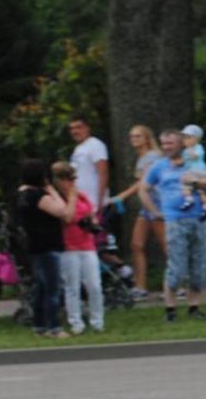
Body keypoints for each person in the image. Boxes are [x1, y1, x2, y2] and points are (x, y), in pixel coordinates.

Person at [145, 128, 206, 321]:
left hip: (199, 219)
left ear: (181, 143)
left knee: (198, 264)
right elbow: (144, 189)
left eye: (171, 143)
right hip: (174, 220)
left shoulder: (194, 162)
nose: (167, 147)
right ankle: (170, 310)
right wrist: (155, 211)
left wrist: (196, 182)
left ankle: (194, 308)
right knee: (177, 267)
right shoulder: (159, 166)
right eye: (164, 143)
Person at [45, 161, 105, 335]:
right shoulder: (57, 199)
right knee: (72, 287)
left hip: (87, 245)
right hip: (68, 247)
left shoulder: (82, 196)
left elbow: (92, 213)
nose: (71, 183)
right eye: (67, 179)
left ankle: (97, 321)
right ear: (58, 180)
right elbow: (68, 217)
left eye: (73, 178)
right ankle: (76, 322)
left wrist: (91, 221)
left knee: (94, 285)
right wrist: (71, 198)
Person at [107, 123, 164, 300]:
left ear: (147, 139)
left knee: (166, 246)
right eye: (132, 136)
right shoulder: (142, 158)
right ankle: (140, 287)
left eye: (138, 136)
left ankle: (178, 285)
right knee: (136, 245)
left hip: (157, 205)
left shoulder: (152, 157)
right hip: (146, 207)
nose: (134, 139)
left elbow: (144, 182)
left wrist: (121, 196)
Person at [13, 159, 66, 338]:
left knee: (41, 287)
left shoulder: (21, 195)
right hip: (48, 244)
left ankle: (39, 324)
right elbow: (62, 210)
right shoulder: (36, 195)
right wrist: (52, 190)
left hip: (34, 245)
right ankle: (54, 327)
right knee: (52, 288)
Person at [67, 115, 109, 211]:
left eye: (79, 127)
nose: (75, 131)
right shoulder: (77, 149)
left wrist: (100, 203)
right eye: (72, 128)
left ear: (87, 128)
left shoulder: (95, 145)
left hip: (95, 204)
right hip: (83, 205)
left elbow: (103, 173)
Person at [177, 122, 206, 217]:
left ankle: (189, 200)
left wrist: (190, 150)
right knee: (201, 191)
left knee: (185, 184)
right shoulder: (185, 151)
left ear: (196, 139)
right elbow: (184, 162)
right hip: (195, 171)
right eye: (184, 138)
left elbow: (195, 156)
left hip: (197, 170)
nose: (185, 140)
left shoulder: (198, 147)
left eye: (188, 138)